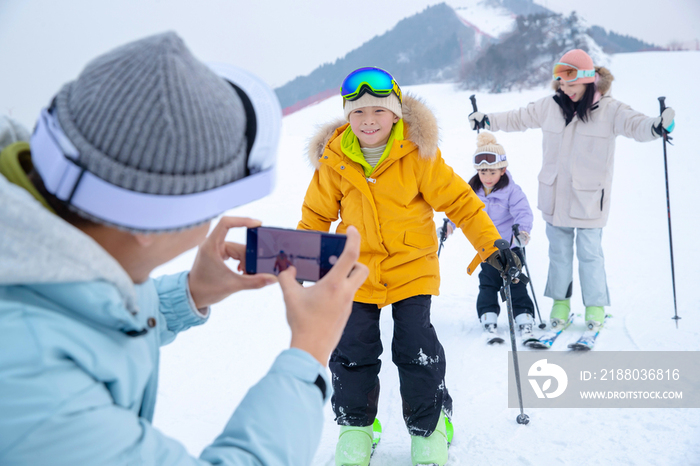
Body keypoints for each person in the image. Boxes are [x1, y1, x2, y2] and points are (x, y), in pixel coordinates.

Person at [0, 32, 369, 466]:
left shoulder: (43, 263)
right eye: (213, 202)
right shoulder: (37, 387)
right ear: (148, 223)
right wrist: (309, 350)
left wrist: (190, 293)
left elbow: (83, 322)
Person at [298, 66, 516, 466]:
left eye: (378, 112)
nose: (368, 121)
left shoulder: (417, 154)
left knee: (414, 347)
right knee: (352, 349)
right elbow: (315, 216)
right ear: (347, 116)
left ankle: (429, 427)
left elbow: (461, 203)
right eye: (359, 112)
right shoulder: (334, 159)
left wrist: (492, 244)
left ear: (396, 114)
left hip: (413, 265)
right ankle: (357, 427)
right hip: (356, 270)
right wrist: (303, 263)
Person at [468, 49, 676, 333]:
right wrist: (487, 120)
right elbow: (519, 118)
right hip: (555, 198)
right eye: (562, 84)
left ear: (589, 80)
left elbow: (636, 125)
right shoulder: (550, 106)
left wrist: (657, 126)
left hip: (590, 200)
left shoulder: (611, 109)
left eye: (572, 84)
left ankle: (594, 306)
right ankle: (560, 304)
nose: (566, 90)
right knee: (560, 255)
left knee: (590, 255)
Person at [441, 132, 535, 343]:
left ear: (503, 170)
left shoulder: (512, 191)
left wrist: (523, 231)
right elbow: (461, 209)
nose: (487, 176)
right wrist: (450, 225)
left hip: (510, 248)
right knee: (488, 283)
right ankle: (488, 318)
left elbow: (523, 212)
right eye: (483, 171)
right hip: (487, 248)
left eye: (492, 171)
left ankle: (524, 319)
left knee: (516, 282)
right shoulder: (472, 189)